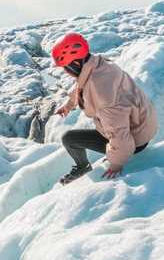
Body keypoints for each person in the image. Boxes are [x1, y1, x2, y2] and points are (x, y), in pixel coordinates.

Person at [52, 32, 158, 185]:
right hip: (142, 124)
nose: (65, 72)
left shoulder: (102, 94)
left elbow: (119, 133)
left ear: (75, 64)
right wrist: (69, 105)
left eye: (65, 68)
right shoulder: (97, 65)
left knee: (69, 138)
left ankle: (83, 167)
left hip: (135, 141)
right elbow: (81, 84)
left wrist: (115, 164)